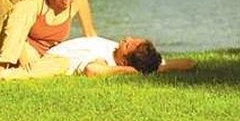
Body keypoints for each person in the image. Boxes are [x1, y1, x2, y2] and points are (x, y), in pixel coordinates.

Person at [44, 34, 195, 77]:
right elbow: (189, 62)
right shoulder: (115, 48)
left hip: (48, 61)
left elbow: (91, 70)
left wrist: (128, 71)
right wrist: (160, 68)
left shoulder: (105, 59)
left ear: (124, 62)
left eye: (128, 45)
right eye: (132, 40)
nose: (126, 38)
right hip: (48, 53)